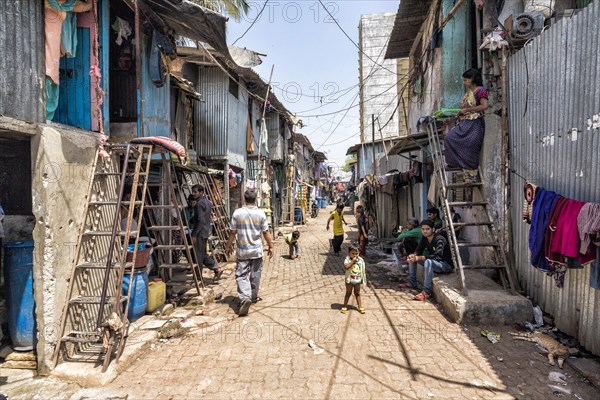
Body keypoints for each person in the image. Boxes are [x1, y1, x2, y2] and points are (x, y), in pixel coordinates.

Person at [225, 190, 274, 316]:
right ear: (256, 199)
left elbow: (232, 232)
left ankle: (245, 297)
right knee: (255, 274)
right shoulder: (260, 213)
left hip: (242, 251)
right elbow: (266, 232)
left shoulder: (237, 213)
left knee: (241, 275)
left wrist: (228, 245)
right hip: (257, 250)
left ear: (244, 199)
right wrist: (271, 246)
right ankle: (252, 296)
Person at [444, 69, 489, 182]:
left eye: (466, 79)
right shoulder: (468, 93)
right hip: (464, 123)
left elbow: (484, 106)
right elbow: (464, 110)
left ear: (472, 79)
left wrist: (468, 109)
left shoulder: (480, 91)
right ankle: (458, 164)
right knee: (449, 138)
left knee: (470, 145)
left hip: (475, 124)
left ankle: (471, 173)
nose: (464, 82)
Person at [400, 220, 454, 301]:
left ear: (433, 229)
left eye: (427, 229)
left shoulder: (439, 239)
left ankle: (426, 292)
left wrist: (419, 258)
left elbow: (438, 256)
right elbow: (419, 249)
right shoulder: (425, 237)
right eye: (423, 229)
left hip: (445, 265)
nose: (425, 231)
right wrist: (414, 255)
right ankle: (412, 283)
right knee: (412, 258)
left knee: (428, 262)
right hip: (435, 262)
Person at [192, 185, 223, 280]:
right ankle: (216, 268)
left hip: (200, 232)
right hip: (206, 230)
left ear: (201, 192)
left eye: (195, 192)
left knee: (198, 255)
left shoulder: (199, 203)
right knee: (203, 254)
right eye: (193, 192)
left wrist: (194, 234)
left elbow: (200, 220)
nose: (193, 194)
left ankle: (198, 276)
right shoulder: (208, 202)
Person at [341, 246, 366, 314]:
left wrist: (362, 279)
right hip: (349, 280)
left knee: (357, 293)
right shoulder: (347, 259)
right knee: (348, 293)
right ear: (349, 253)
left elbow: (362, 270)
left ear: (359, 253)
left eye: (356, 253)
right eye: (353, 253)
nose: (355, 255)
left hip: (357, 280)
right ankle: (344, 306)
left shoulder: (360, 260)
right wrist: (352, 261)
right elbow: (346, 267)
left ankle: (359, 306)